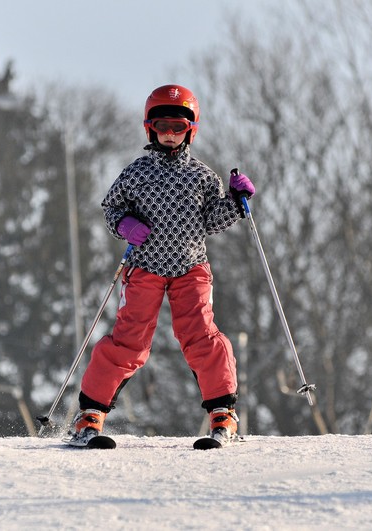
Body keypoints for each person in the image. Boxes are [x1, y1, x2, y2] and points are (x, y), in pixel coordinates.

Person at [69, 84, 255, 446]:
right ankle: (90, 413)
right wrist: (124, 224)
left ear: (191, 130)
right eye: (162, 126)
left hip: (190, 266)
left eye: (178, 127)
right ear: (149, 128)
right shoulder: (136, 173)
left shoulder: (202, 176)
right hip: (145, 266)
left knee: (201, 335)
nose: (169, 135)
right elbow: (112, 209)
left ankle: (223, 412)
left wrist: (237, 201)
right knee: (129, 340)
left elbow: (212, 220)